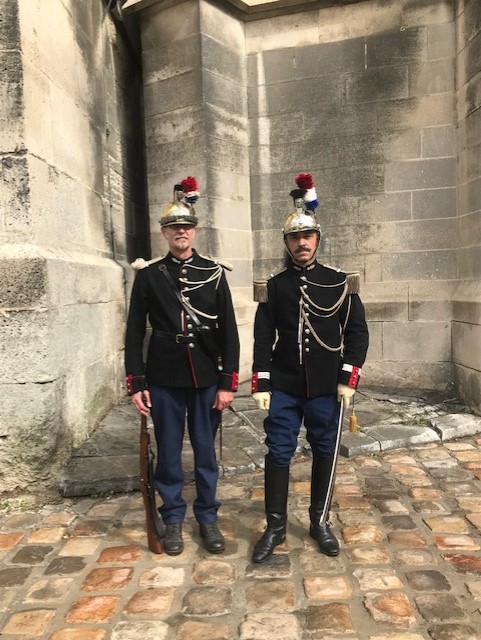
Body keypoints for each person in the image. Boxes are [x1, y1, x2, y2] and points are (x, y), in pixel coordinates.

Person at [251, 173, 369, 563]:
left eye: (308, 237)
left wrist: (348, 378)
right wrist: (261, 382)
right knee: (279, 452)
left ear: (317, 240)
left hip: (324, 387)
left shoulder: (339, 282)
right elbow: (262, 335)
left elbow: (357, 334)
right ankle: (275, 526)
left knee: (324, 451)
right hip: (284, 385)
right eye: (294, 238)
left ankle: (319, 521)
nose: (301, 243)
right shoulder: (275, 285)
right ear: (286, 243)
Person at [125, 177, 240, 556]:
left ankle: (207, 516)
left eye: (187, 227)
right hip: (164, 377)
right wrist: (137, 382)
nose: (181, 233)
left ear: (194, 231)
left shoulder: (213, 272)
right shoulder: (148, 276)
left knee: (206, 452)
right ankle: (173, 517)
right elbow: (133, 332)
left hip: (206, 376)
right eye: (174, 227)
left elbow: (229, 332)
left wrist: (227, 382)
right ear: (164, 232)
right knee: (169, 451)